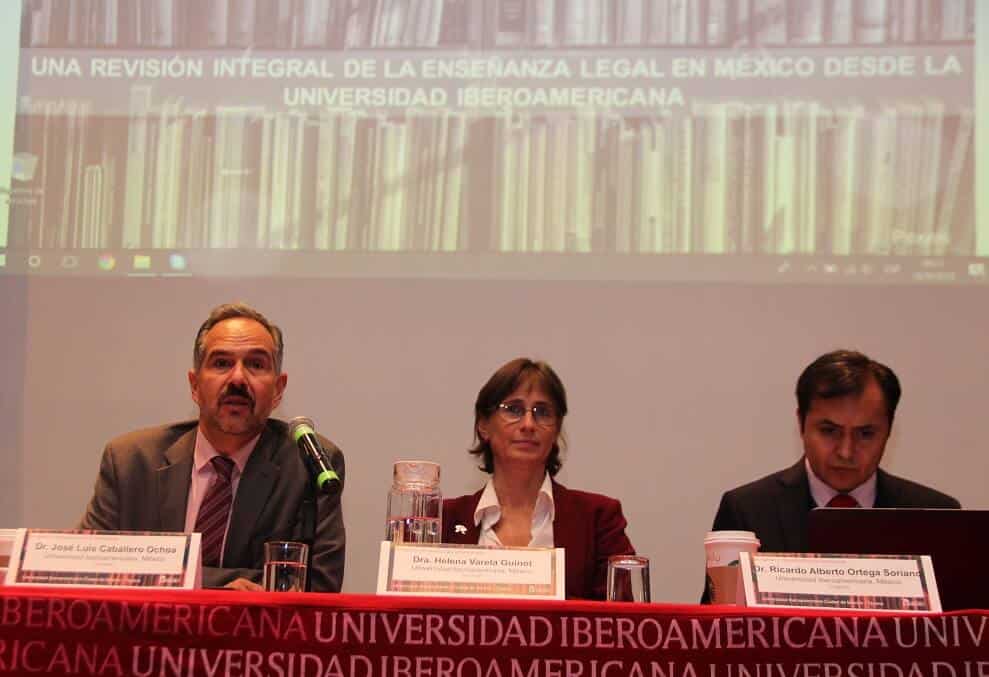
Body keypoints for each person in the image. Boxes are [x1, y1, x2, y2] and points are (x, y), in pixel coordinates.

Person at [78, 302, 345, 592]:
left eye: (256, 364)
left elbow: (319, 587)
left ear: (278, 389)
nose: (238, 378)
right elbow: (92, 567)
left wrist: (170, 577)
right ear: (194, 385)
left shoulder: (309, 465)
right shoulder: (131, 461)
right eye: (221, 364)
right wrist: (229, 584)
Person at [703, 349, 959, 601]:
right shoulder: (748, 510)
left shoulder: (936, 515)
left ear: (889, 431)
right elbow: (717, 633)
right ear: (801, 423)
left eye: (866, 434)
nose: (846, 452)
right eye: (829, 431)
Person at [441, 357, 635, 600]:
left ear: (556, 430)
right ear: (484, 425)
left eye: (542, 412)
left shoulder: (598, 520)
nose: (529, 424)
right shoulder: (443, 521)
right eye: (513, 409)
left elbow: (622, 625)